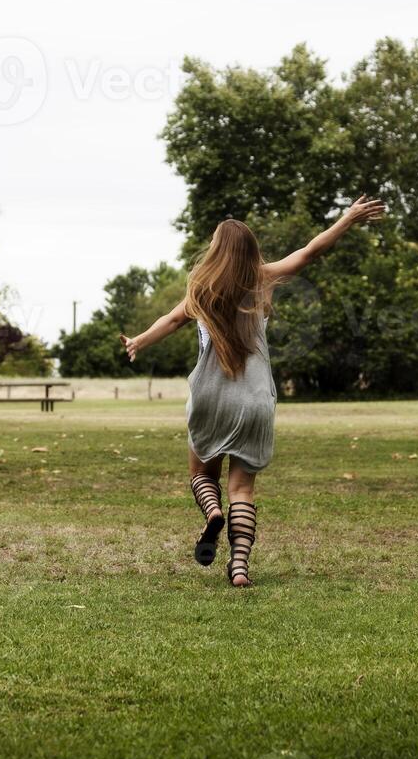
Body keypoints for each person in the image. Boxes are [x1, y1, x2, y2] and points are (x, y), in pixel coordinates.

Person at [120, 195, 384, 587]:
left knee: (201, 474)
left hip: (210, 396)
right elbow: (311, 251)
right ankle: (239, 567)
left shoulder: (202, 286)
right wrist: (347, 219)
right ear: (250, 250)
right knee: (242, 488)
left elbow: (172, 320)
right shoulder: (263, 278)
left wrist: (139, 341)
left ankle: (212, 512)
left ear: (216, 249)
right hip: (255, 399)